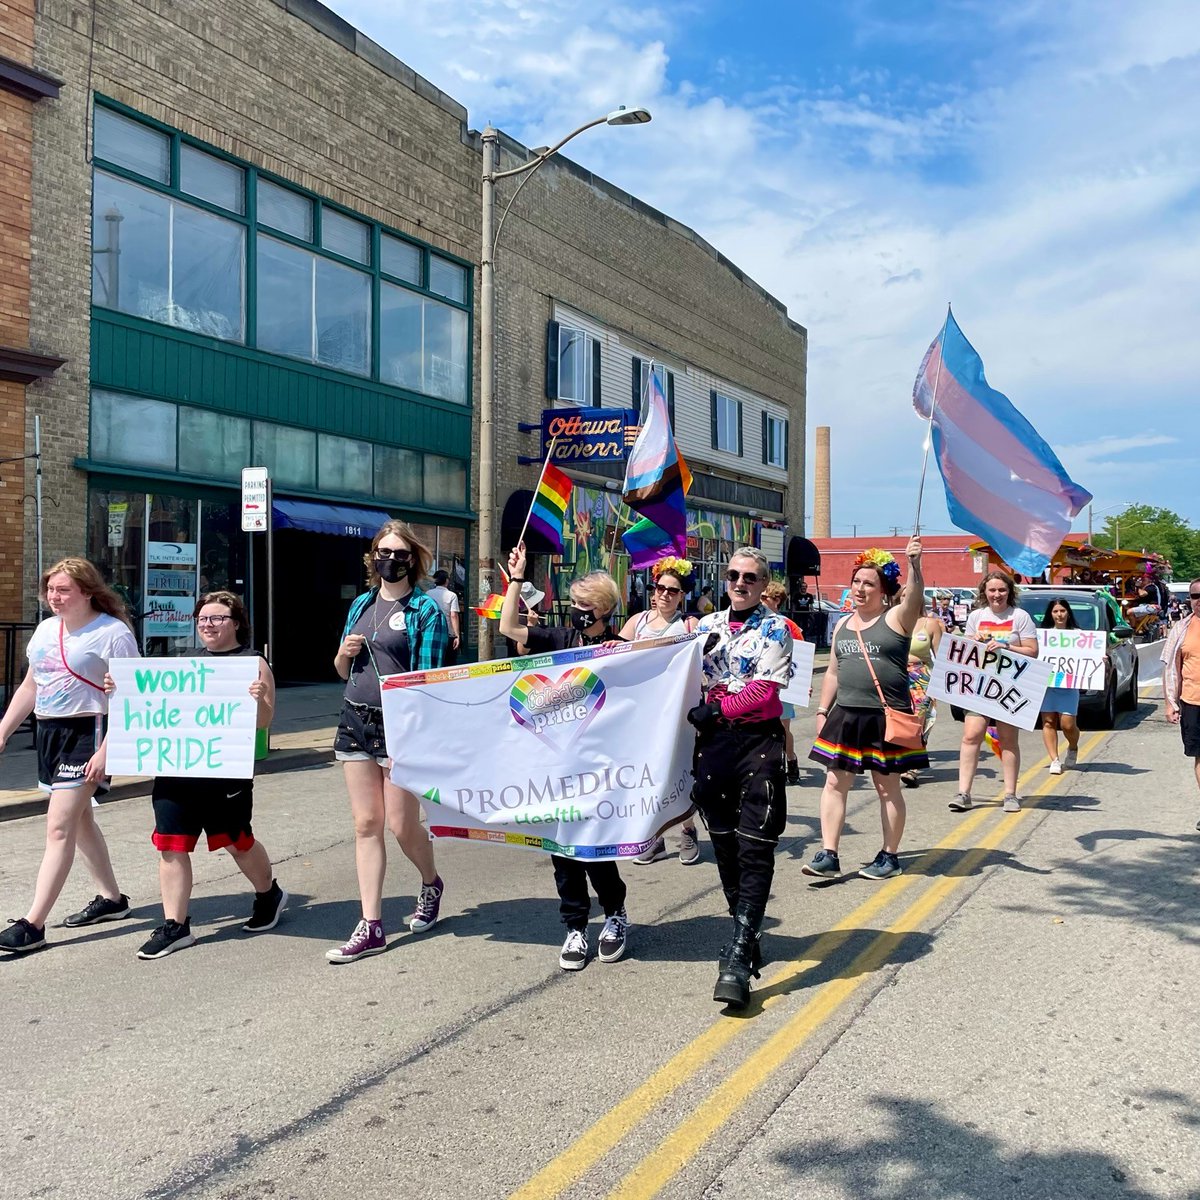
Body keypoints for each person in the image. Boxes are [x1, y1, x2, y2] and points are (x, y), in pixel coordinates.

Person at [113, 591, 286, 959]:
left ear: (236, 622)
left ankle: (269, 894)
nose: (208, 625)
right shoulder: (184, 663)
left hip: (225, 775)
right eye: (202, 619)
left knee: (237, 841)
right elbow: (150, 709)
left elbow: (264, 723)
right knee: (170, 844)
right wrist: (122, 693)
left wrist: (258, 701)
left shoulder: (252, 663)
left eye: (217, 618)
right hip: (176, 771)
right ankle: (176, 926)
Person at [499, 541, 630, 971]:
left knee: (596, 848)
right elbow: (508, 629)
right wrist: (517, 580)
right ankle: (576, 926)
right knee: (562, 852)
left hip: (598, 767)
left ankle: (614, 915)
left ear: (603, 611)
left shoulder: (618, 649)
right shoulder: (558, 638)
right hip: (557, 764)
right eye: (573, 602)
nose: (574, 609)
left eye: (582, 604)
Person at [326, 521, 450, 964]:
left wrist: (413, 738)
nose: (390, 560)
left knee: (401, 825)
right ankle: (371, 924)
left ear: (412, 560)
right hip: (354, 720)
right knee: (366, 824)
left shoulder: (425, 611)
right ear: (372, 556)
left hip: (400, 727)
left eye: (399, 553)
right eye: (383, 551)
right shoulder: (362, 602)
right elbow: (342, 671)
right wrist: (345, 653)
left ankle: (431, 881)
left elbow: (427, 684)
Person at [0, 558, 137, 954]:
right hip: (49, 731)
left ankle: (33, 924)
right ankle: (111, 899)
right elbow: (31, 685)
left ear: (87, 592)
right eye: (50, 590)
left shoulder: (113, 633)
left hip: (88, 731)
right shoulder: (44, 630)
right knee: (80, 822)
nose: (53, 597)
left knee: (58, 827)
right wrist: (4, 730)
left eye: (63, 590)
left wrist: (107, 750)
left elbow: (132, 695)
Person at [689, 547, 793, 1008]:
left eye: (750, 577)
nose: (740, 582)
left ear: (762, 583)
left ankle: (735, 958)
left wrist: (716, 707)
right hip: (714, 747)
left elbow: (765, 688)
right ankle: (745, 934)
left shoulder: (775, 627)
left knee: (755, 846)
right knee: (726, 846)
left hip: (758, 744)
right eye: (733, 575)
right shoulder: (706, 628)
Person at [804, 542, 925, 883]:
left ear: (884, 590)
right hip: (846, 714)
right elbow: (832, 671)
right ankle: (829, 854)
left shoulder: (897, 617)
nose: (860, 588)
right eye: (856, 581)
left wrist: (914, 564)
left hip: (885, 717)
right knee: (834, 782)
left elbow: (915, 595)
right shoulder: (843, 625)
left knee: (887, 788)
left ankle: (890, 856)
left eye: (868, 583)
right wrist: (823, 709)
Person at [621, 556, 702, 867]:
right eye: (661, 588)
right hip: (642, 712)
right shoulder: (637, 622)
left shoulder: (689, 625)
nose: (665, 594)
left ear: (682, 595)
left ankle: (688, 829)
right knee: (648, 775)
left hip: (677, 712)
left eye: (673, 590)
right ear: (652, 591)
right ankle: (654, 839)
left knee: (679, 771)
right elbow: (615, 655)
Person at [950, 570, 1039, 814]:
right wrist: (974, 642)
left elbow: (1033, 651)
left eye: (1001, 590)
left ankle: (1010, 794)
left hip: (1009, 687)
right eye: (992, 590)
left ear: (1009, 591)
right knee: (971, 735)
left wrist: (1006, 646)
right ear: (984, 593)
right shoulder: (976, 616)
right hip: (980, 685)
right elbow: (964, 652)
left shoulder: (1020, 617)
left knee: (1008, 739)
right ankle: (964, 793)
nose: (997, 594)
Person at [1162, 578, 1200, 831]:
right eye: (1196, 596)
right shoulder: (1182, 628)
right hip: (1193, 702)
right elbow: (1170, 668)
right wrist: (1170, 702)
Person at [761, 579, 806, 785]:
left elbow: (802, 658)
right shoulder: (755, 622)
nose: (760, 601)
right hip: (760, 685)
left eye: (764, 597)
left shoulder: (789, 625)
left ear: (776, 600)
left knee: (782, 728)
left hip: (782, 685)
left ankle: (791, 759)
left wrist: (803, 684)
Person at [899, 591, 944, 788]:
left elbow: (942, 657)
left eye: (911, 596)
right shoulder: (890, 621)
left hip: (921, 677)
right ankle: (900, 761)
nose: (906, 599)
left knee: (918, 721)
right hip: (893, 675)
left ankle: (911, 767)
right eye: (902, 596)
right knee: (897, 721)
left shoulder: (930, 624)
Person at [1038, 597, 1082, 776]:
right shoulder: (1043, 636)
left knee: (1067, 724)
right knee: (1048, 722)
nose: (1059, 615)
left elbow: (1088, 658)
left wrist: (1099, 659)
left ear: (1068, 613)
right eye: (1055, 611)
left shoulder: (1079, 635)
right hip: (1047, 684)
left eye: (1062, 611)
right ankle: (1054, 760)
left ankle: (1072, 747)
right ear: (1050, 614)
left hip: (1069, 685)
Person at [425, 570, 462, 665]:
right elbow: (453, 616)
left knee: (433, 662)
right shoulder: (452, 595)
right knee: (449, 663)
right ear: (446, 581)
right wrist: (457, 635)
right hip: (448, 634)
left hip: (431, 633)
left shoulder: (427, 594)